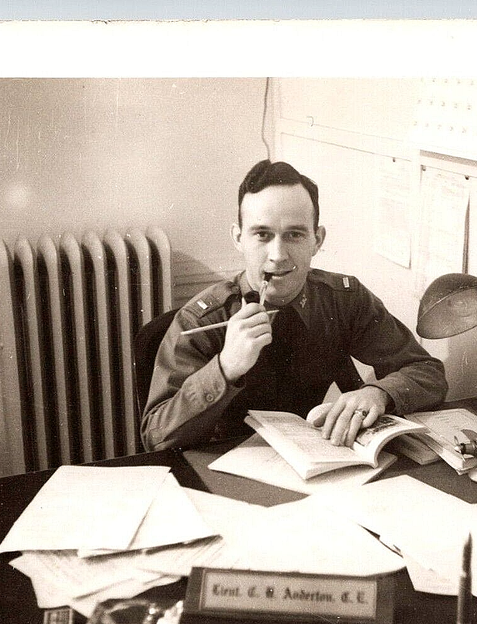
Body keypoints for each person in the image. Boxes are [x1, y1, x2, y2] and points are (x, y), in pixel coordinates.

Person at [140, 160, 448, 452]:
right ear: (238, 238)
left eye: (294, 235)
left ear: (317, 239)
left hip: (319, 461)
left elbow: (428, 371)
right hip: (226, 469)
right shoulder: (201, 318)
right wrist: (226, 367)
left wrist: (379, 393)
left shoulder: (343, 299)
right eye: (262, 234)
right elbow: (155, 437)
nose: (278, 254)